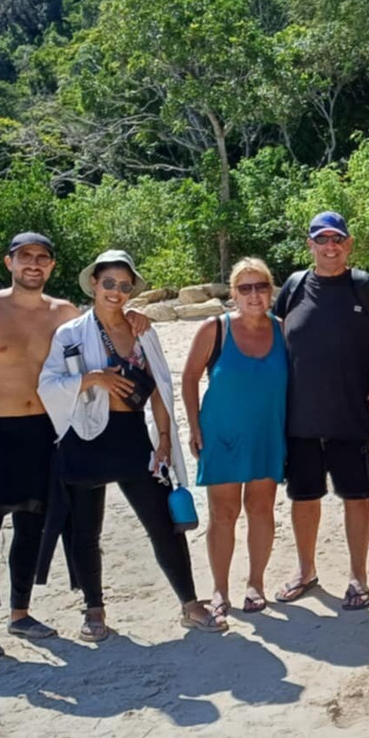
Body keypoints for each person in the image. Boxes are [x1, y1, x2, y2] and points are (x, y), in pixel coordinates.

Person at [0, 233, 150, 660]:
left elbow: (106, 327)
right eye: (25, 257)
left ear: (52, 267)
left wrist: (137, 317)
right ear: (9, 262)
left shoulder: (64, 313)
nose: (34, 264)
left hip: (46, 430)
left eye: (43, 258)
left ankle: (20, 613)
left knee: (33, 527)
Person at [37, 250, 225, 641]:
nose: (116, 292)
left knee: (163, 523)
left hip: (132, 438)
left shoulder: (142, 330)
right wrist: (91, 379)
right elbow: (47, 385)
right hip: (84, 438)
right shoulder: (70, 334)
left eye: (124, 286)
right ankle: (94, 610)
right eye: (109, 283)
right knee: (85, 530)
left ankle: (191, 604)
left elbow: (158, 387)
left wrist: (164, 442)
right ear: (93, 283)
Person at [271, 212, 369, 609]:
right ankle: (305, 571)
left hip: (351, 417)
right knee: (303, 498)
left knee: (356, 497)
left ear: (349, 243)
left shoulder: (367, 288)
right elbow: (266, 335)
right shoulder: (293, 287)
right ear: (309, 245)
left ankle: (358, 578)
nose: (330, 247)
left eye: (337, 240)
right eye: (322, 240)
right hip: (300, 419)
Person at [182, 258, 286, 616]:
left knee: (261, 509)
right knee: (223, 513)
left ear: (271, 291)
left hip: (267, 434)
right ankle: (220, 589)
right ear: (233, 294)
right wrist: (194, 427)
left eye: (261, 286)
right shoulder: (216, 329)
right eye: (245, 288)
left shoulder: (283, 330)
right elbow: (189, 378)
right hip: (222, 434)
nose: (254, 294)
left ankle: (256, 582)